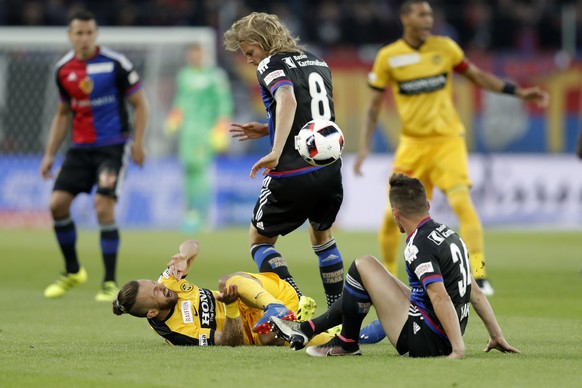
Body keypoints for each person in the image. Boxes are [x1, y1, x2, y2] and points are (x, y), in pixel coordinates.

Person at [353, 0, 549, 296]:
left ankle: (479, 274)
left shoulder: (445, 48)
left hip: (448, 141)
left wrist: (518, 92)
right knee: (390, 215)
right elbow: (374, 107)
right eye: (422, 14)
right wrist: (365, 147)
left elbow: (477, 76)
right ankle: (388, 279)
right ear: (406, 18)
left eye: (431, 13)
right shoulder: (389, 57)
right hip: (412, 145)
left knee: (461, 203)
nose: (429, 19)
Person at [270, 173, 520, 358]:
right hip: (438, 328)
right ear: (428, 206)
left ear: (395, 214)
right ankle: (309, 329)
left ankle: (345, 343)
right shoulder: (450, 235)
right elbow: (474, 291)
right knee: (373, 275)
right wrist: (496, 335)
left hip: (425, 339)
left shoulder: (417, 246)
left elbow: (440, 297)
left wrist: (457, 350)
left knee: (362, 266)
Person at [223, 12, 345, 321]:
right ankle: (338, 314)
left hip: (291, 170)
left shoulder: (270, 64)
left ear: (264, 43)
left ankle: (296, 301)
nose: (250, 60)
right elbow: (314, 110)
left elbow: (287, 98)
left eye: (250, 52)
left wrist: (275, 150)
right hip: (328, 168)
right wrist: (268, 127)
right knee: (322, 235)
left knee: (259, 240)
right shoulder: (317, 60)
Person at [40, 10, 149, 302]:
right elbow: (63, 113)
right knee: (57, 204)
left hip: (112, 147)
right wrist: (49, 154)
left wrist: (138, 143)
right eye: (79, 33)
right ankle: (73, 271)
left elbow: (140, 105)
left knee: (103, 206)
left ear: (96, 34)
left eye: (90, 32)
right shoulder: (63, 69)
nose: (85, 38)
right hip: (79, 148)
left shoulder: (116, 64)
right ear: (70, 35)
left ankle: (109, 282)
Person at [112, 239, 333, 346]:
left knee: (228, 281)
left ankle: (274, 306)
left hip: (263, 296)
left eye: (155, 283)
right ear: (151, 313)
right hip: (264, 331)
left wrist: (182, 254)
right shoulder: (178, 333)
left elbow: (193, 245)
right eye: (155, 293)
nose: (162, 287)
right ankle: (346, 329)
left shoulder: (168, 282)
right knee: (332, 340)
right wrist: (230, 306)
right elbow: (230, 342)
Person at [165, 42, 233, 233]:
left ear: (204, 55)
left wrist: (221, 129)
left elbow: (224, 104)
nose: (194, 58)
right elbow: (181, 101)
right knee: (188, 170)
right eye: (192, 54)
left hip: (205, 131)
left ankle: (201, 216)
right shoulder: (184, 76)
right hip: (187, 133)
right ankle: (188, 213)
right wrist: (174, 119)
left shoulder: (215, 76)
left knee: (201, 172)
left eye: (198, 54)